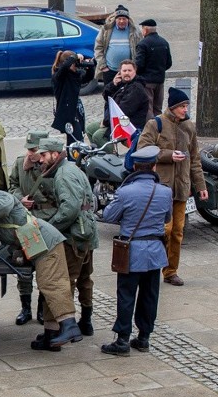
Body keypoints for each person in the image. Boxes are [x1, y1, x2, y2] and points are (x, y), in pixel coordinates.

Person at [0, 183, 83, 351]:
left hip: (46, 243)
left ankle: (70, 326)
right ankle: (51, 334)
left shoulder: (0, 196)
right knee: (46, 289)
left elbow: (4, 207)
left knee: (50, 283)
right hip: (36, 248)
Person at [100, 145, 173, 356]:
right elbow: (167, 218)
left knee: (126, 295)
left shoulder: (125, 192)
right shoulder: (165, 191)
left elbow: (108, 216)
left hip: (131, 251)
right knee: (150, 296)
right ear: (154, 166)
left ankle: (122, 340)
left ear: (135, 167)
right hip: (155, 251)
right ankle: (144, 337)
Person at [136, 87, 207, 286]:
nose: (185, 109)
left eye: (186, 106)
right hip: (161, 188)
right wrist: (168, 155)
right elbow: (143, 150)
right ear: (173, 107)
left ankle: (170, 271)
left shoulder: (189, 127)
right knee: (163, 230)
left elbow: (195, 159)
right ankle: (152, 268)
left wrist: (200, 185)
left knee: (177, 231)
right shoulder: (155, 124)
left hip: (181, 188)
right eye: (182, 106)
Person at [36, 138, 98, 336]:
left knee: (64, 282)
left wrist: (50, 229)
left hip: (74, 237)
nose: (40, 160)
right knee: (85, 279)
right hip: (86, 232)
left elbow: (69, 209)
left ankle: (61, 329)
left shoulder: (63, 175)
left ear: (55, 154)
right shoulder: (72, 168)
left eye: (44, 155)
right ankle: (86, 322)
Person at [7, 130, 51, 325]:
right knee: (23, 264)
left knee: (44, 266)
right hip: (25, 220)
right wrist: (19, 199)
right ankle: (26, 308)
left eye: (33, 149)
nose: (29, 153)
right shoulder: (19, 163)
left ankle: (42, 308)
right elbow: (12, 185)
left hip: (46, 219)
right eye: (28, 149)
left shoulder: (51, 165)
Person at [85, 59, 150, 148]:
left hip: (128, 124)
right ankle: (98, 155)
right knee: (90, 129)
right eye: (124, 70)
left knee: (99, 136)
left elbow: (123, 111)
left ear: (135, 71)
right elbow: (106, 97)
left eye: (129, 70)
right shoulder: (122, 83)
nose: (127, 73)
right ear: (120, 72)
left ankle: (110, 158)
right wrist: (113, 84)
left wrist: (105, 122)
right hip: (115, 121)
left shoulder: (136, 88)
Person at [51, 50, 94, 143]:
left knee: (76, 139)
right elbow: (65, 67)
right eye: (75, 63)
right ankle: (73, 157)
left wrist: (90, 66)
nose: (76, 65)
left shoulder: (74, 75)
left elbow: (88, 78)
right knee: (76, 140)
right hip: (68, 113)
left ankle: (73, 156)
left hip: (77, 111)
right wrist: (75, 56)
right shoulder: (59, 75)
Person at [94, 5, 142, 86]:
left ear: (128, 19)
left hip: (128, 72)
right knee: (109, 95)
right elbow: (98, 47)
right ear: (115, 19)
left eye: (124, 19)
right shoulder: (106, 30)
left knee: (127, 96)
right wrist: (103, 66)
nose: (122, 21)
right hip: (110, 71)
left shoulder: (135, 31)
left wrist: (135, 67)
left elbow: (140, 49)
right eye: (119, 19)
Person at [135, 18, 173, 116]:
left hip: (147, 81)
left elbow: (139, 65)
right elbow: (169, 63)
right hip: (160, 80)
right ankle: (159, 128)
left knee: (148, 108)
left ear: (145, 30)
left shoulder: (143, 44)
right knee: (158, 109)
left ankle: (151, 129)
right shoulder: (164, 42)